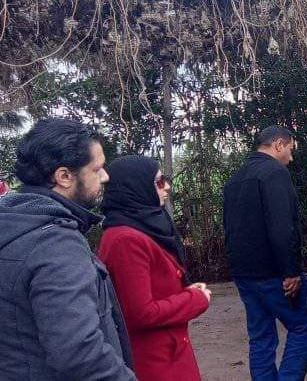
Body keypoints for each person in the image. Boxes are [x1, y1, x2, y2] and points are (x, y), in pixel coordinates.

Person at [0, 118, 135, 380]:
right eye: (97, 169)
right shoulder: (55, 244)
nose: (105, 177)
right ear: (64, 176)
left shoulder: (15, 223)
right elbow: (80, 354)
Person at [98, 155, 212, 381]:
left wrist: (185, 290)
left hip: (172, 353)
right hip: (155, 363)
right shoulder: (125, 239)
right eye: (159, 182)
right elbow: (141, 313)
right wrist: (195, 299)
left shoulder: (144, 226)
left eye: (165, 179)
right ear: (136, 187)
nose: (167, 186)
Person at [223, 126, 307, 381]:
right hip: (273, 273)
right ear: (278, 144)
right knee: (304, 325)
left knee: (261, 336)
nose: (291, 157)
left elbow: (229, 227)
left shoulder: (235, 178)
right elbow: (282, 226)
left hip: (243, 273)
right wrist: (291, 271)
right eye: (290, 149)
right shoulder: (274, 172)